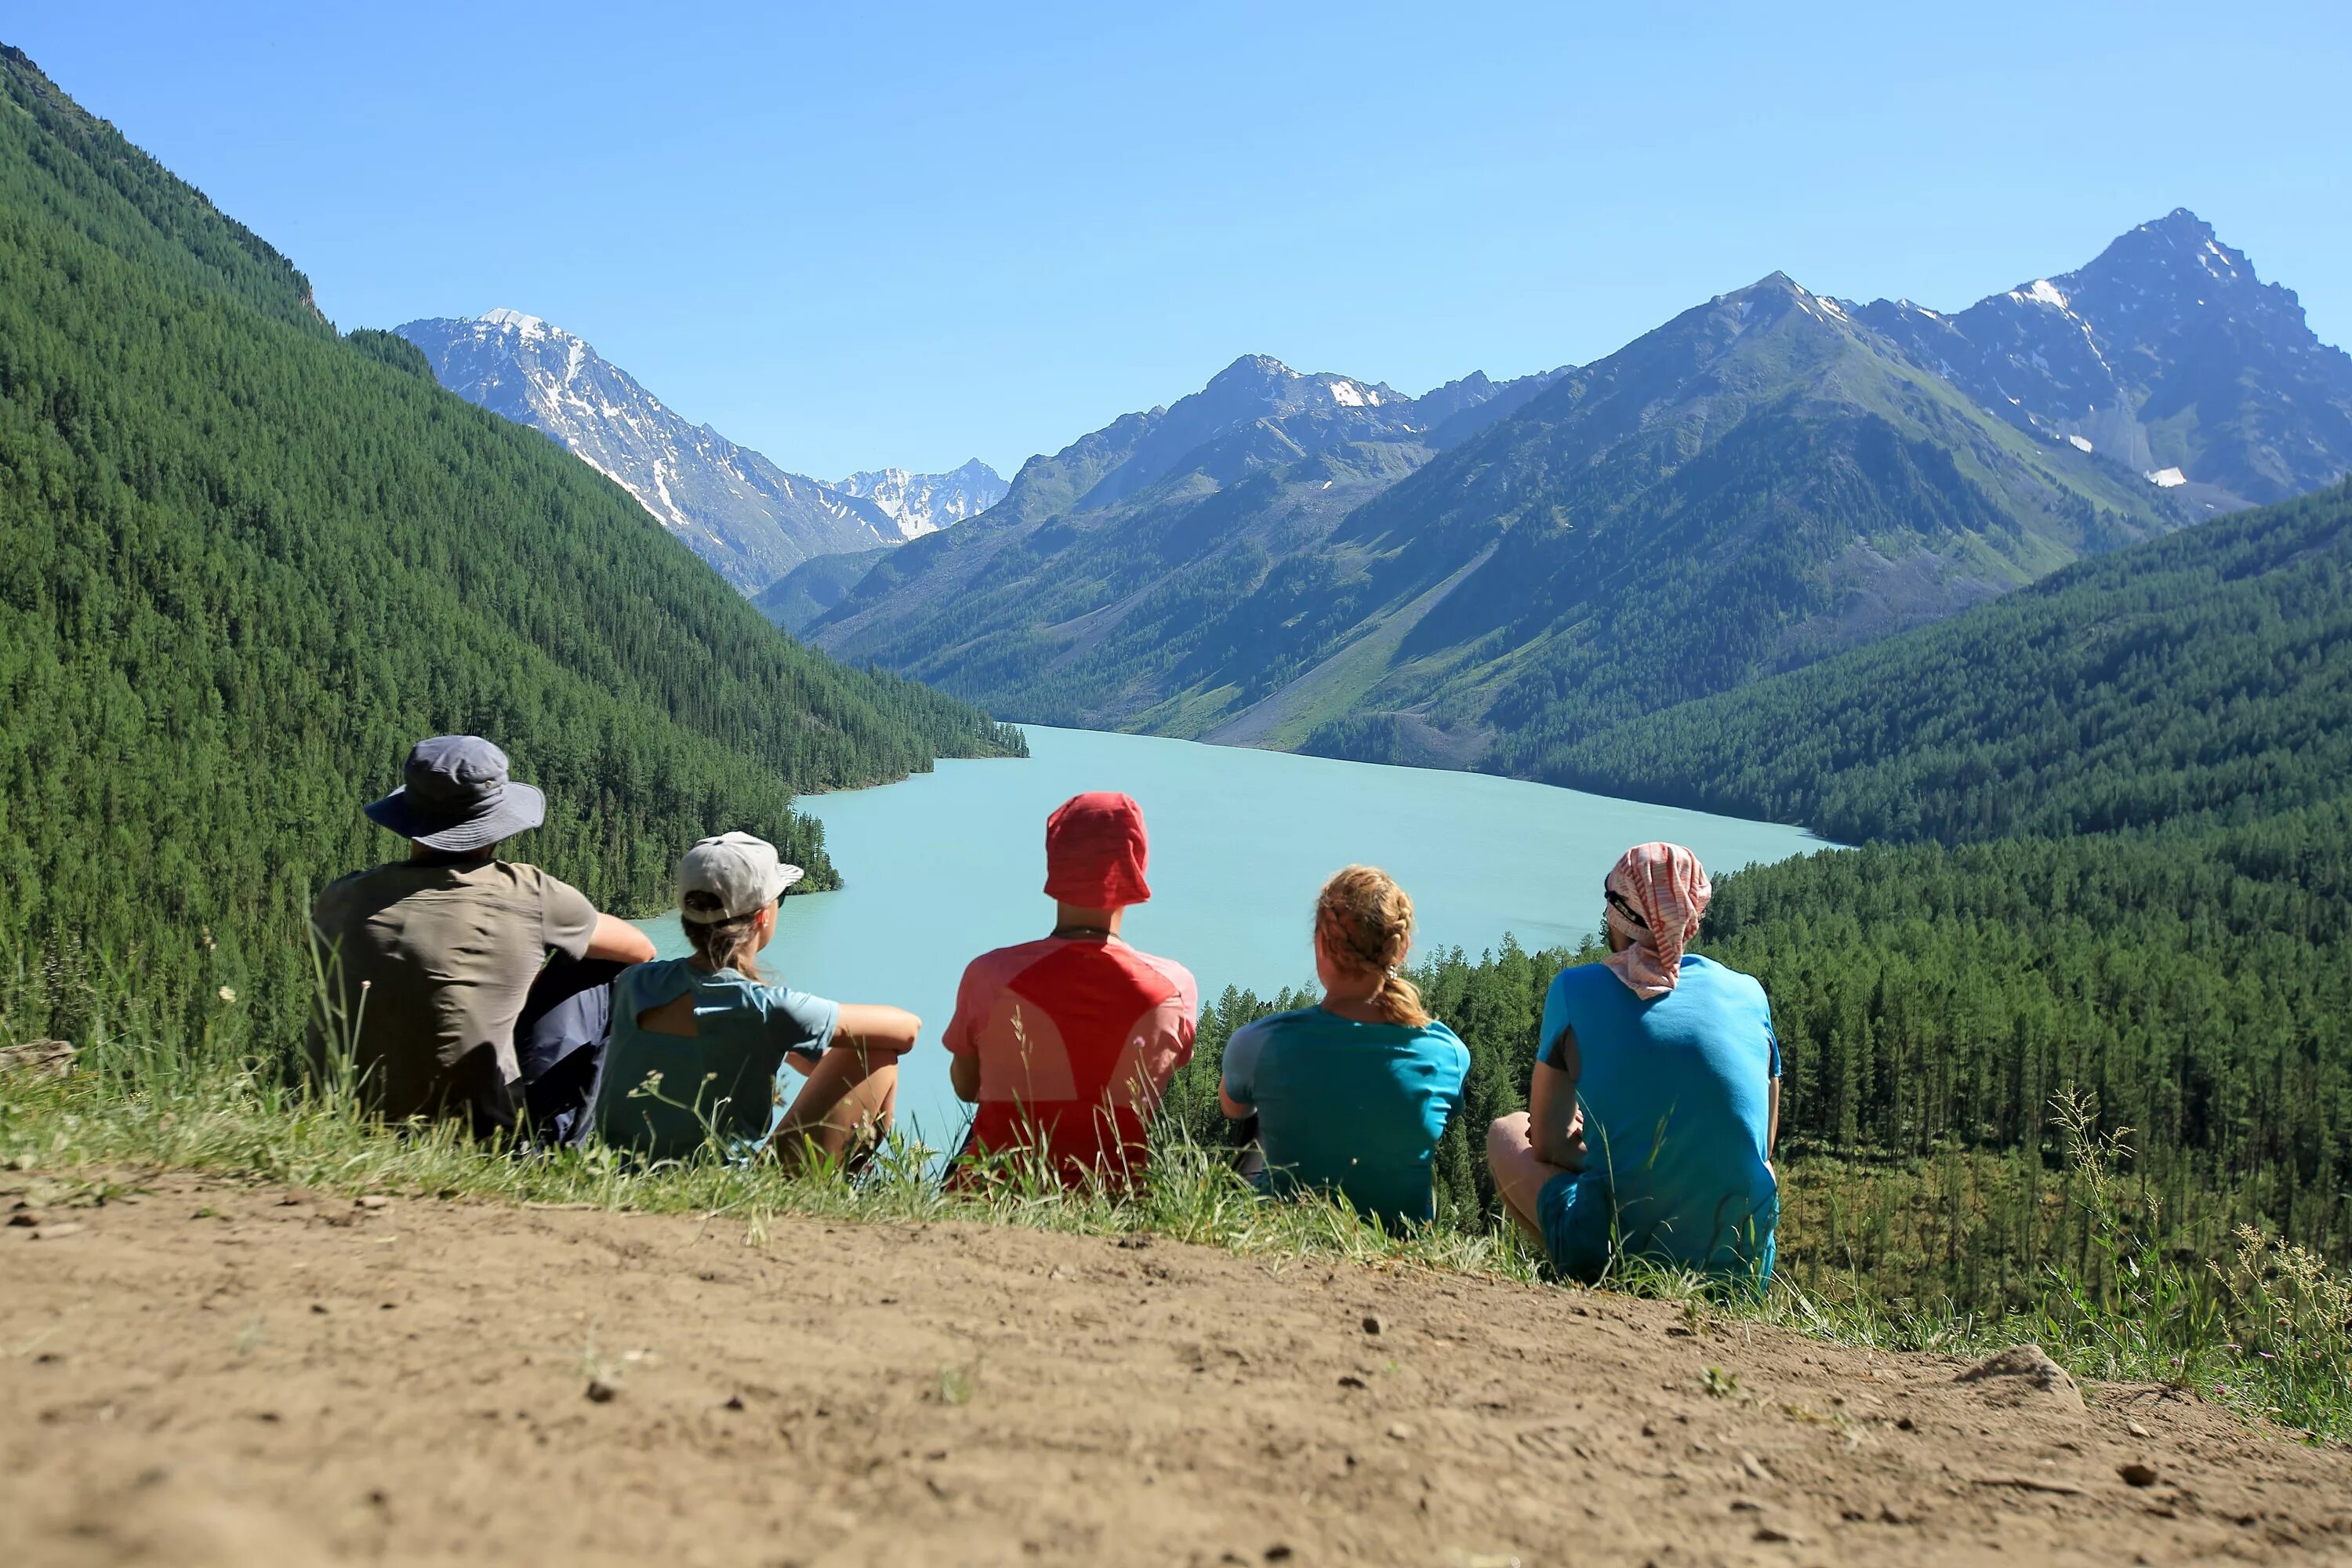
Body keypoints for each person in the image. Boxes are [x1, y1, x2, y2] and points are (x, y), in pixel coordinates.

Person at [310, 735, 656, 1136]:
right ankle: (562, 1145)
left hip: (342, 1122)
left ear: (409, 817)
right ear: (495, 823)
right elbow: (640, 949)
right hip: (482, 1136)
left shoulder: (341, 896)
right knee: (597, 964)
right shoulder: (530, 893)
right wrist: (530, 984)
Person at [1486, 842, 1780, 1285]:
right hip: (1742, 1260)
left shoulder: (1575, 989)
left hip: (1619, 1241)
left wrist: (1607, 1147)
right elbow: (1763, 1144)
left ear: (1618, 912)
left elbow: (1545, 1144)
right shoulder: (1749, 994)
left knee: (1505, 1131)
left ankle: (1598, 1281)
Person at [584, 833, 916, 1168]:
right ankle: (844, 1181)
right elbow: (907, 1029)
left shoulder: (633, 983)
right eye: (780, 899)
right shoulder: (768, 1009)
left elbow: (712, 1035)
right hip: (721, 1183)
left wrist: (785, 1044)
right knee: (876, 1054)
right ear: (762, 917)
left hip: (618, 1168)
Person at [943, 792, 1198, 1189]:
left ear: (1055, 863)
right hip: (1117, 1201)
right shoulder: (1175, 988)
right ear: (1138, 867)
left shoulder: (989, 975)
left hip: (992, 1193)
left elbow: (967, 1087)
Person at [1218, 866, 1470, 1232]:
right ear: (1401, 949)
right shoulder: (1448, 1053)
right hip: (1400, 1240)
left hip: (1282, 1232)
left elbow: (1233, 1109)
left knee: (1260, 1119)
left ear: (1321, 944)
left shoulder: (1260, 1042)